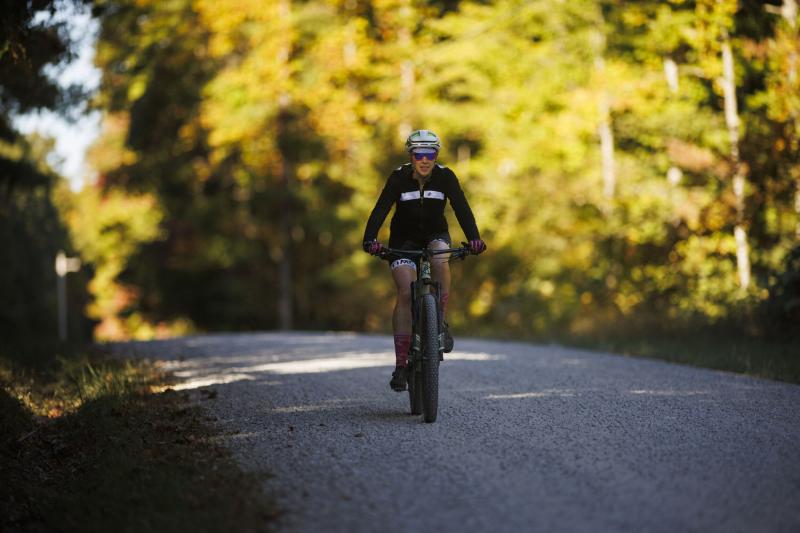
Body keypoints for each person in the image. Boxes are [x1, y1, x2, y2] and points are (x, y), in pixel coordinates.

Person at [362, 129, 486, 392]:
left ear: (436, 154)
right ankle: (399, 365)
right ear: (411, 155)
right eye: (419, 154)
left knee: (441, 259)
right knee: (406, 292)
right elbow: (380, 210)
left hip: (434, 235)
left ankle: (438, 323)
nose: (425, 160)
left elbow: (462, 208)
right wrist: (369, 239)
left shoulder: (445, 177)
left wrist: (474, 238)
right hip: (402, 242)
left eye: (430, 154)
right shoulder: (398, 178)